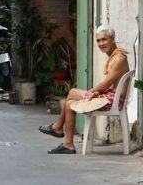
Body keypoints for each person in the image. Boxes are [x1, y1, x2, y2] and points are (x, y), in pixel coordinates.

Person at [38, 25, 129, 154]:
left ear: (113, 39)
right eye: (98, 40)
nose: (101, 43)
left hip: (113, 101)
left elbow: (105, 84)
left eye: (104, 39)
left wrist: (92, 92)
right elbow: (107, 86)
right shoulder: (114, 56)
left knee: (73, 92)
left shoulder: (119, 58)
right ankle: (67, 143)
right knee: (69, 104)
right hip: (109, 96)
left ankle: (58, 128)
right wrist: (96, 92)